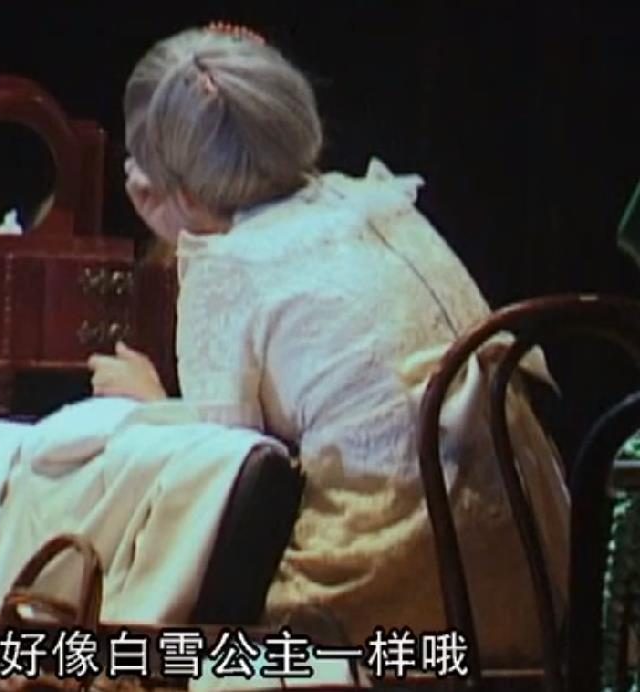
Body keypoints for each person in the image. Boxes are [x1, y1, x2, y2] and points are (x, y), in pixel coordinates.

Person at [87, 23, 569, 666]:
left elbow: (227, 470)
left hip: (391, 601)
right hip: (535, 580)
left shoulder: (228, 264)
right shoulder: (376, 203)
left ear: (181, 188)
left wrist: (152, 400)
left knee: (148, 624)